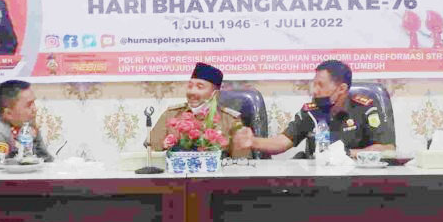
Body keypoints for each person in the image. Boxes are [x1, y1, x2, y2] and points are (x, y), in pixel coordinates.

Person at [233, 60, 395, 157]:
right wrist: (253, 141)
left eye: (320, 85)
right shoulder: (311, 111)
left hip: (356, 180)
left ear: (341, 89)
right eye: (314, 84)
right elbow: (283, 141)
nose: (314, 91)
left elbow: (387, 149)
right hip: (316, 181)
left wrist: (347, 154)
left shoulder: (365, 109)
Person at [150, 62, 251, 159]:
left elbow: (242, 161)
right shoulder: (171, 114)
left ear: (214, 94)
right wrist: (164, 146)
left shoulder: (230, 120)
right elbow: (150, 152)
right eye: (190, 86)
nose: (192, 92)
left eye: (200, 87)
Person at [0, 80, 54, 162]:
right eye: (28, 105)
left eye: (33, 103)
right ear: (8, 113)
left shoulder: (27, 125)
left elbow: (47, 160)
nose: (34, 109)